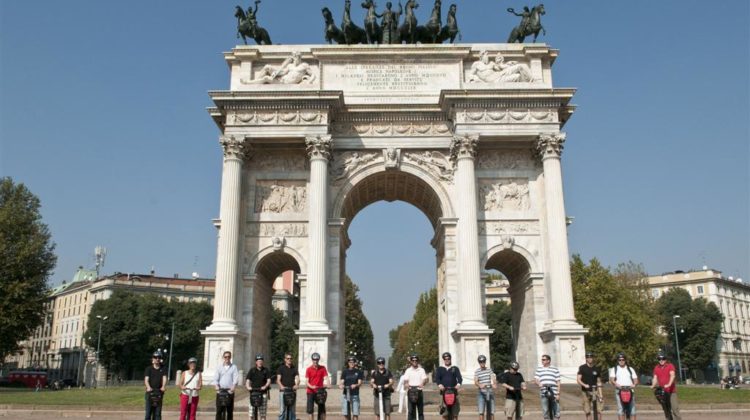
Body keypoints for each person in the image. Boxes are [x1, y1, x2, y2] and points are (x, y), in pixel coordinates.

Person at [651, 352, 681, 420]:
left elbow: (672, 375)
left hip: (671, 392)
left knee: (674, 409)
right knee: (666, 410)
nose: (661, 360)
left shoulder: (670, 366)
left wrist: (669, 384)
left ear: (666, 359)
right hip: (663, 392)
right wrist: (653, 385)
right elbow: (655, 378)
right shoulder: (656, 368)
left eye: (663, 358)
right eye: (659, 359)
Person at [609, 353, 639, 420]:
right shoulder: (615, 369)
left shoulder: (630, 369)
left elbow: (636, 380)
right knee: (621, 409)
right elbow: (612, 379)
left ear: (625, 360)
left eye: (623, 359)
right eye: (620, 360)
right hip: (619, 390)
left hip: (630, 390)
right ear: (618, 360)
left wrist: (634, 384)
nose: (621, 361)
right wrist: (616, 384)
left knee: (632, 410)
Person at [576, 352, 603, 420]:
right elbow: (578, 379)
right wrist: (584, 385)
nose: (589, 359)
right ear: (586, 358)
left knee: (599, 410)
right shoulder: (582, 368)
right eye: (588, 357)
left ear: (593, 358)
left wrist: (601, 394)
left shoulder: (597, 368)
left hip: (595, 391)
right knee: (587, 410)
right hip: (585, 391)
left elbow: (599, 382)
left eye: (591, 357)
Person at [436, 352, 462, 420]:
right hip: (443, 393)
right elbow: (437, 378)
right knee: (444, 414)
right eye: (445, 359)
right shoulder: (439, 369)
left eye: (448, 358)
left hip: (454, 393)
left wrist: (458, 384)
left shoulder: (455, 368)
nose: (447, 360)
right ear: (443, 359)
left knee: (455, 414)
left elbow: (459, 378)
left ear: (450, 359)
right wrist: (440, 385)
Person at [215, 351, 240, 420]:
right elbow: (216, 378)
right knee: (219, 411)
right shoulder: (219, 367)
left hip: (229, 391)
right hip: (220, 391)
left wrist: (233, 386)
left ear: (230, 357)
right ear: (223, 357)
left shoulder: (234, 367)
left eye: (228, 357)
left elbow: (236, 378)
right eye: (225, 357)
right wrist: (216, 386)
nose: (227, 358)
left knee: (229, 411)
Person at [534, 354, 560, 420]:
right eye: (542, 359)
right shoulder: (539, 369)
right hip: (544, 392)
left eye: (544, 359)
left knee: (556, 411)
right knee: (545, 411)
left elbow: (558, 382)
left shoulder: (555, 369)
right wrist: (539, 383)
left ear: (548, 360)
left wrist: (558, 393)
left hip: (554, 392)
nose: (542, 361)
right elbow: (536, 379)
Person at [246, 354, 272, 420]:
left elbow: (269, 380)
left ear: (263, 362)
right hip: (253, 393)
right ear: (256, 362)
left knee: (262, 414)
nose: (260, 362)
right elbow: (248, 380)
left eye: (261, 361)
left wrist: (265, 386)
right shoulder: (252, 370)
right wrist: (248, 386)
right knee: (251, 413)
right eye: (258, 361)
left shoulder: (266, 370)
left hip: (263, 393)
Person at [403, 354, 428, 420]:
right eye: (413, 360)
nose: (414, 361)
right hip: (411, 390)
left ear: (418, 361)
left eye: (416, 360)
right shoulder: (408, 370)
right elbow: (405, 380)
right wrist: (406, 384)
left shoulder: (421, 370)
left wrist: (423, 383)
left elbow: (425, 379)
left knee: (420, 411)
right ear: (411, 361)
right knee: (411, 411)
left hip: (419, 390)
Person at [306, 352, 329, 420]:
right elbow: (306, 382)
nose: (315, 361)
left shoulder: (322, 368)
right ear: (312, 360)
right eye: (314, 360)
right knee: (310, 410)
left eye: (317, 360)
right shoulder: (309, 369)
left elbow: (326, 377)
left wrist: (328, 383)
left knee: (322, 410)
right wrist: (311, 386)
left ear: (318, 360)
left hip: (320, 391)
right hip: (310, 391)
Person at [144, 351, 167, 420]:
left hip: (159, 392)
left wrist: (163, 386)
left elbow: (164, 378)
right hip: (150, 392)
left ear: (160, 359)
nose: (157, 359)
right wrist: (148, 387)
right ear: (152, 358)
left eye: (159, 357)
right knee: (148, 413)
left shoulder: (163, 368)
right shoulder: (149, 369)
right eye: (155, 357)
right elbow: (146, 380)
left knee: (157, 414)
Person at [277, 353, 300, 420]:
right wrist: (281, 386)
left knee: (292, 410)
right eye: (288, 358)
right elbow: (278, 380)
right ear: (285, 359)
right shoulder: (281, 368)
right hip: (283, 391)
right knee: (282, 410)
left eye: (290, 358)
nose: (289, 360)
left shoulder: (294, 368)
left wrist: (297, 384)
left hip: (292, 391)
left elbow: (297, 378)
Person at [474, 355, 497, 420]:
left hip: (489, 391)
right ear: (479, 362)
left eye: (483, 361)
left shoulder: (489, 370)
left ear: (485, 362)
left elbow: (493, 378)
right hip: (481, 393)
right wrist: (479, 385)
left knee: (491, 412)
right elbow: (475, 381)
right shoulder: (477, 371)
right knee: (481, 412)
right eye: (481, 362)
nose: (482, 363)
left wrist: (494, 384)